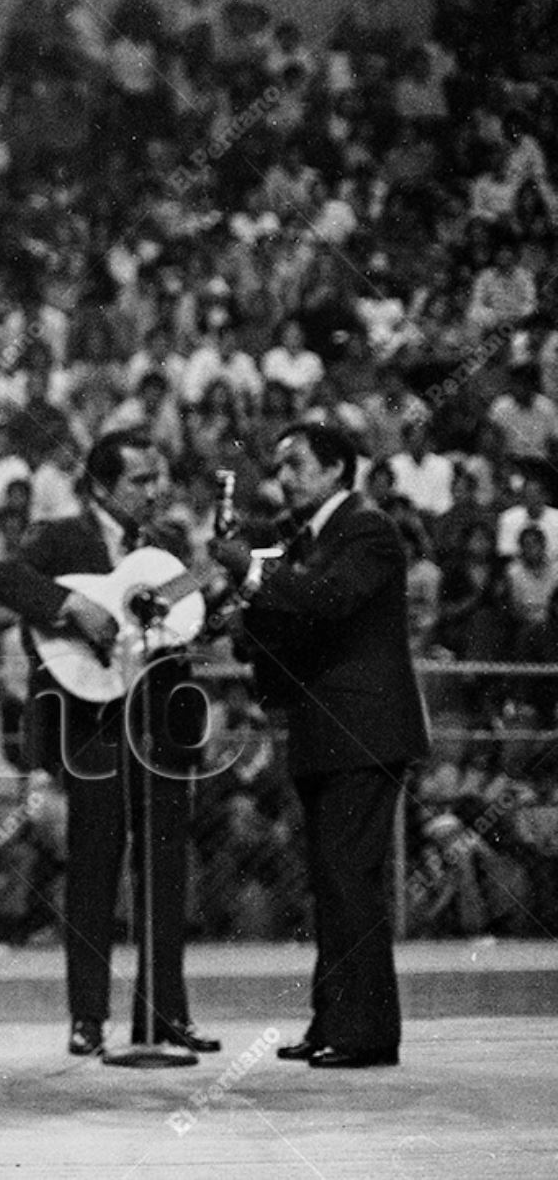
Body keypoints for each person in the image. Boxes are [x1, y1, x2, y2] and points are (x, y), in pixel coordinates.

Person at [0, 430, 220, 1058]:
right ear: (99, 486)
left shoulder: (170, 545)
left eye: (157, 478)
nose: (154, 491)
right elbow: (3, 577)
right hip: (94, 726)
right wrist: (70, 606)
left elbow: (191, 616)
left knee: (166, 872)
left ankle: (164, 1014)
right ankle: (87, 1015)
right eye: (139, 480)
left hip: (160, 723)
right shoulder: (62, 536)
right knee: (92, 871)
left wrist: (217, 589)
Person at [210, 422, 429, 1069]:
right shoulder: (308, 537)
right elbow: (294, 615)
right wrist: (245, 614)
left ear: (337, 468)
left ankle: (364, 1030)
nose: (285, 477)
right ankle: (336, 1018)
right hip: (325, 728)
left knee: (348, 878)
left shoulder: (366, 529)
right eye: (280, 467)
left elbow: (329, 601)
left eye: (298, 464)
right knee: (333, 881)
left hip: (360, 730)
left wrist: (249, 571)